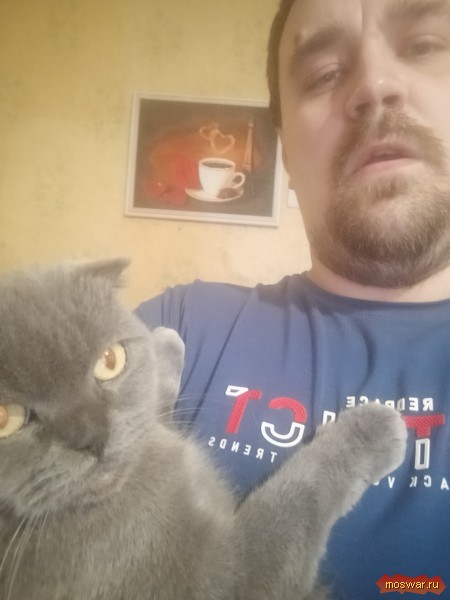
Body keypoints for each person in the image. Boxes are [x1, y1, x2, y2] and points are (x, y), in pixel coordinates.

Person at [137, 0, 450, 597]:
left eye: (424, 45)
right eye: (325, 74)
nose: (375, 84)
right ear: (285, 150)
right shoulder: (180, 330)